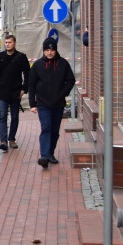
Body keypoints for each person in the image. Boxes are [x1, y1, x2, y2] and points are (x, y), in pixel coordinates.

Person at [28, 37, 76, 168]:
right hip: (43, 103)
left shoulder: (62, 64)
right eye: (47, 50)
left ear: (56, 50)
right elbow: (31, 85)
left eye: (52, 50)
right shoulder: (37, 65)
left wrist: (63, 92)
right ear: (43, 51)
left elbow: (71, 80)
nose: (49, 52)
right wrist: (32, 104)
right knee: (46, 128)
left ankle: (50, 153)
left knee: (54, 130)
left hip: (58, 103)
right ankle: (44, 156)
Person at [0, 34, 30, 152]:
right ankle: (3, 140)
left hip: (16, 92)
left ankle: (11, 138)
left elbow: (28, 74)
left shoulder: (21, 57)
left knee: (15, 117)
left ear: (14, 43)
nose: (7, 44)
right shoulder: (0, 56)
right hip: (2, 92)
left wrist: (24, 89)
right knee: (2, 116)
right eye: (6, 42)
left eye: (9, 42)